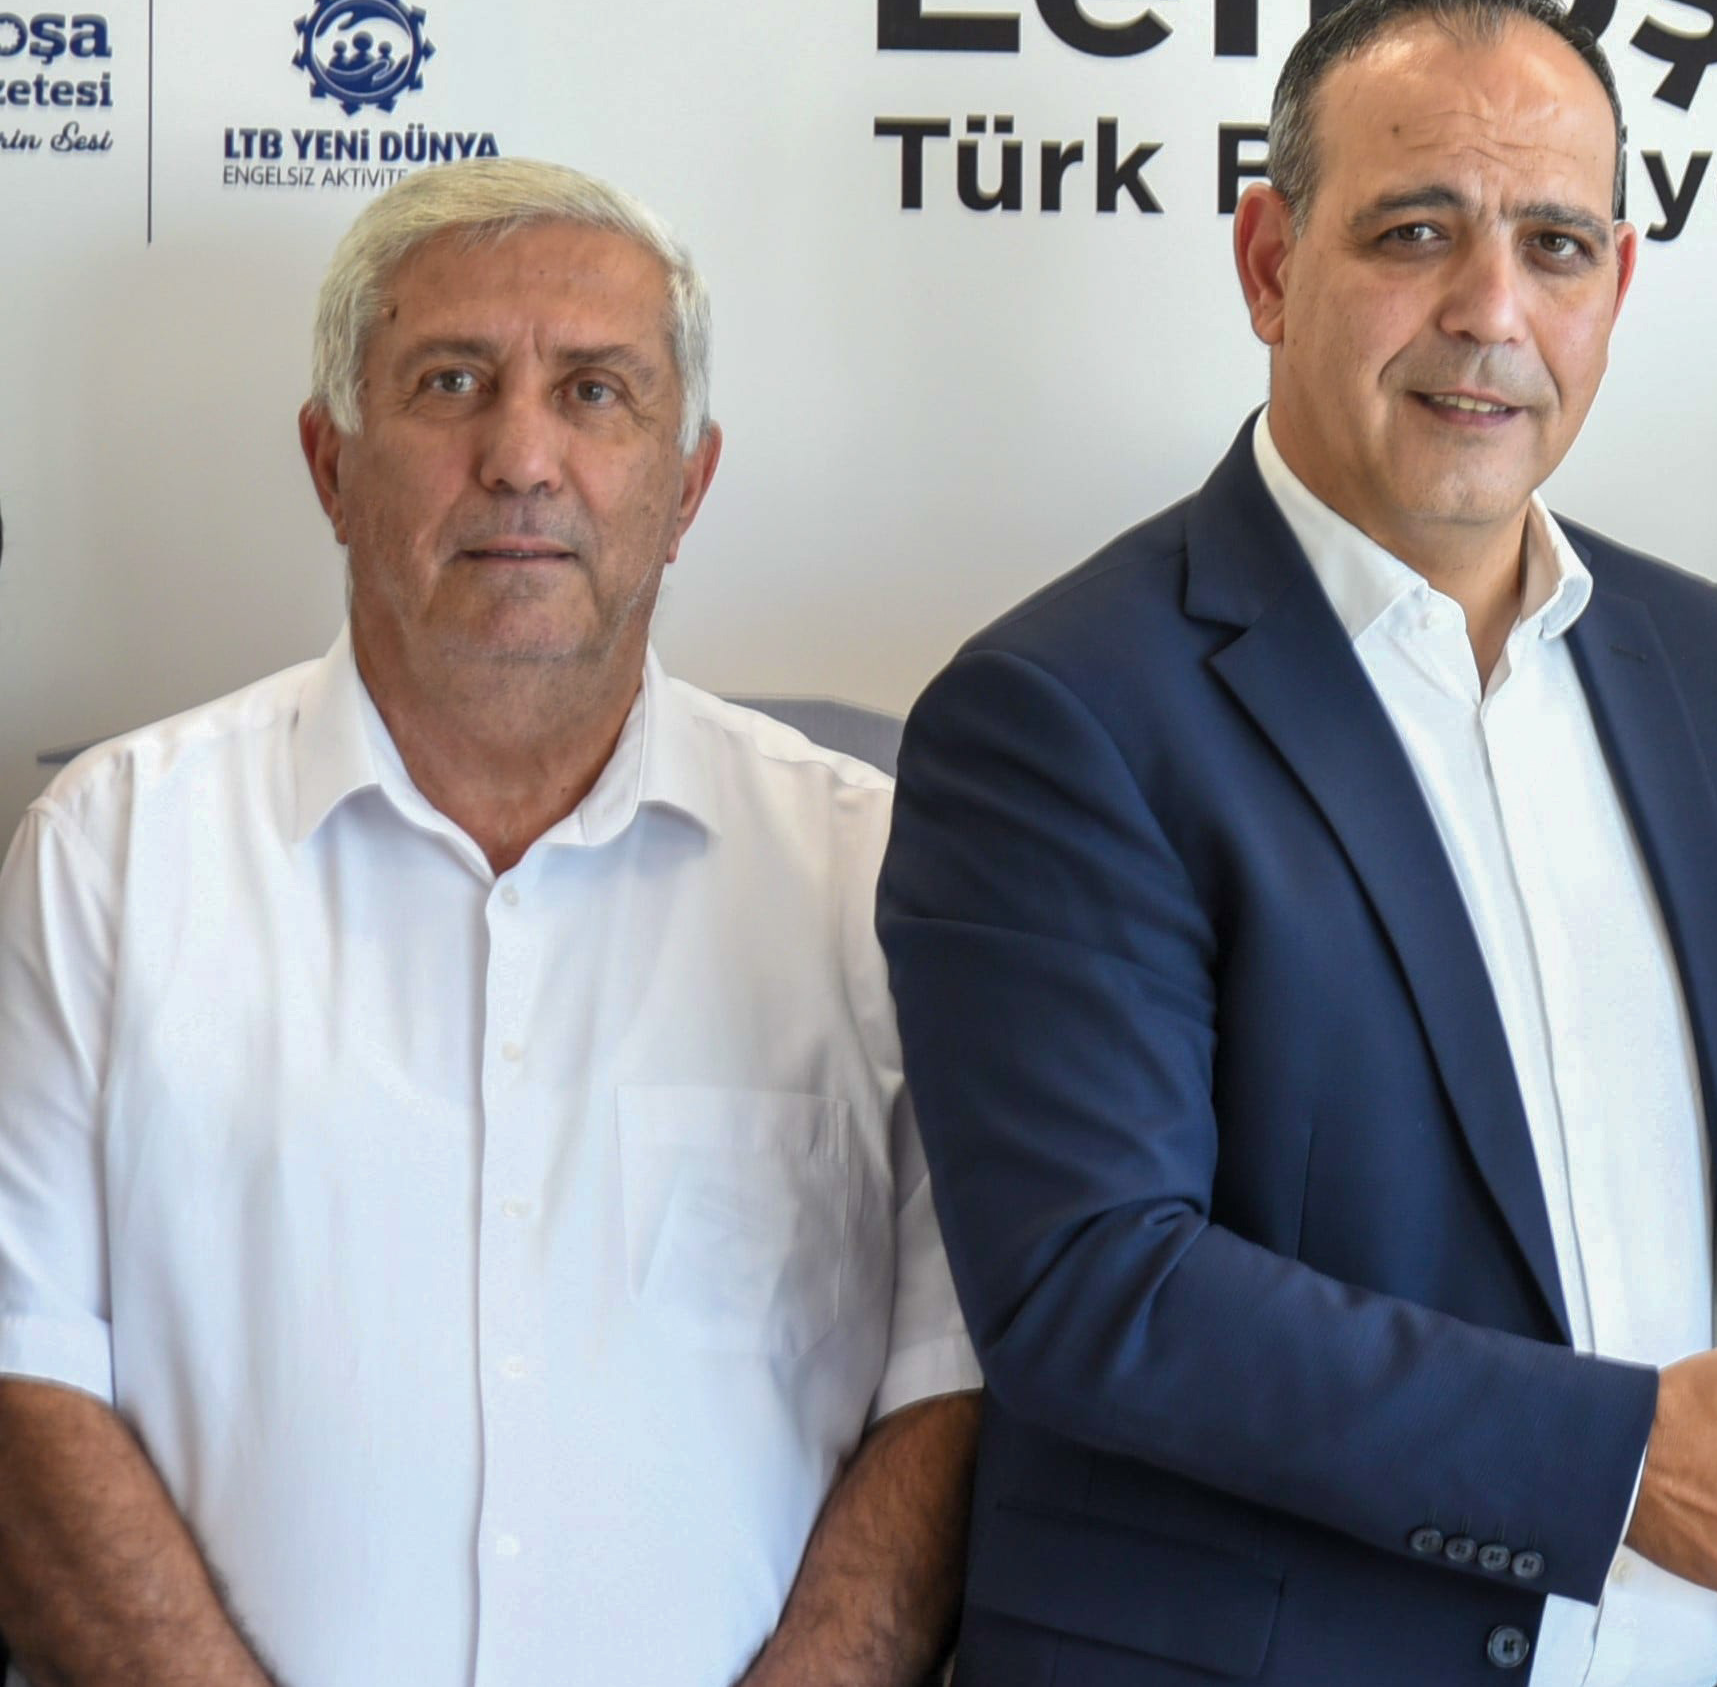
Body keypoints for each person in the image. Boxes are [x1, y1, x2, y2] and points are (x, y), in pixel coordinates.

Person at [875, 0, 1717, 1687]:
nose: (1490, 310)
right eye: (1415, 232)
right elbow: (1097, 1288)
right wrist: (1619, 1460)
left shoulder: (1700, 663)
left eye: (1555, 247)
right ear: (1269, 262)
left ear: (1615, 288)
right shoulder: (1061, 712)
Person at [0, 158, 983, 1685]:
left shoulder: (866, 875)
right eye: (451, 382)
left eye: (596, 393)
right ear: (331, 465)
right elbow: (24, 1379)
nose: (522, 458)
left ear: (687, 486)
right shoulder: (112, 856)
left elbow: (949, 1391)